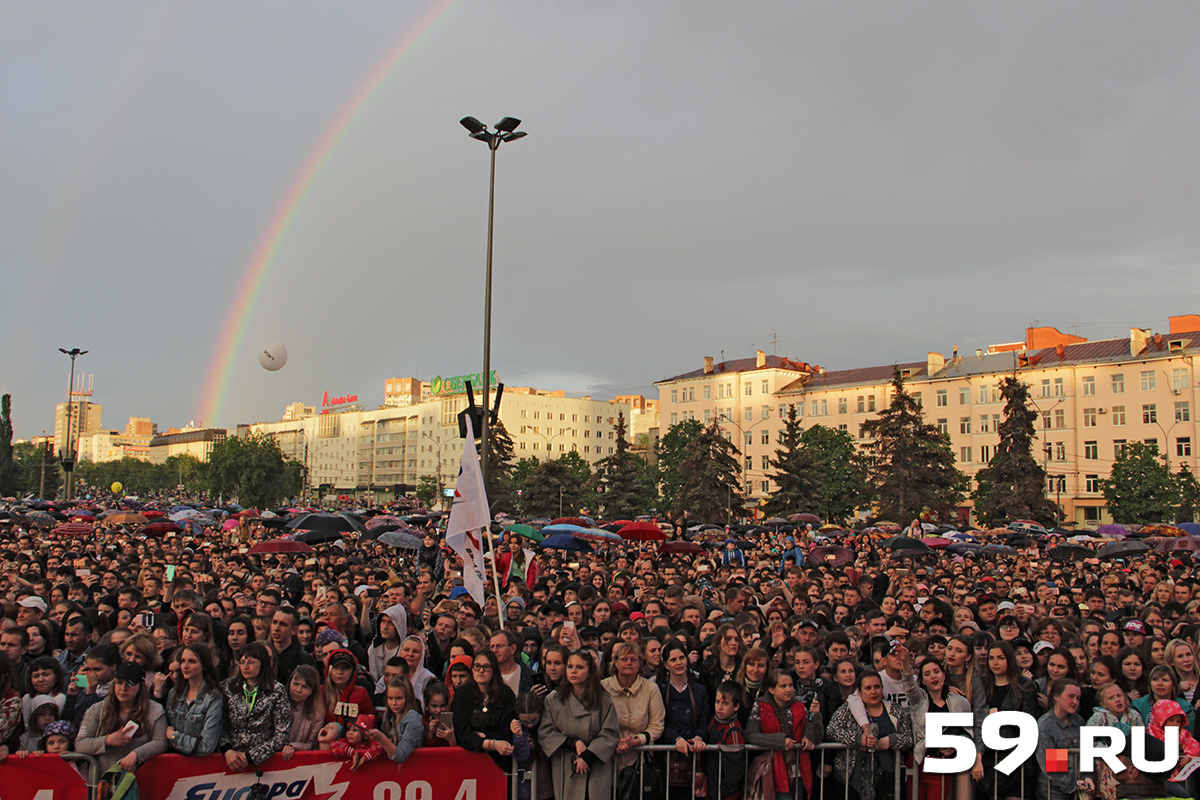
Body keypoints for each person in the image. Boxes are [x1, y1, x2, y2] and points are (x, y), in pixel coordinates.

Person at [539, 650, 620, 800]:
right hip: (566, 765)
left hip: (596, 766)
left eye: (580, 667)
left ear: (590, 671)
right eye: (570, 667)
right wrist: (573, 743)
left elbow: (610, 732)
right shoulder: (554, 699)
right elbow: (546, 732)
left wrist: (588, 756)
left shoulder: (604, 700)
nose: (573, 671)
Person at [826, 670, 914, 800]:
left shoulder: (894, 709)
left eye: (877, 687)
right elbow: (831, 731)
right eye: (868, 688)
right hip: (853, 778)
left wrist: (891, 740)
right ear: (860, 692)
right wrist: (858, 739)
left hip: (887, 777)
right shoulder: (848, 710)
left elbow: (908, 738)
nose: (873, 692)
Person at [76, 661, 168, 774]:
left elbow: (161, 742)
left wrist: (136, 754)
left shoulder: (155, 710)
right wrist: (107, 740)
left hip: (139, 780)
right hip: (101, 781)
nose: (123, 688)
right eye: (119, 683)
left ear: (141, 686)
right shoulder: (97, 709)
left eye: (130, 684)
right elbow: (80, 744)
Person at [746, 669, 821, 800]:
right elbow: (751, 734)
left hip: (797, 770)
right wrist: (779, 741)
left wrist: (815, 718)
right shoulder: (760, 706)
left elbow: (816, 735)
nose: (788, 689)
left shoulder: (799, 706)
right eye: (783, 686)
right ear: (771, 689)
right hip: (772, 770)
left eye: (791, 685)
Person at [910, 656, 976, 800]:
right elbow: (908, 686)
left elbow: (968, 732)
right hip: (927, 761)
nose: (933, 676)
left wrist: (956, 745)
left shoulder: (960, 702)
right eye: (927, 674)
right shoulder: (919, 703)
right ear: (922, 681)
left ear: (944, 675)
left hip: (955, 763)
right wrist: (904, 664)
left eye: (936, 671)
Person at [221, 641, 290, 771]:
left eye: (251, 662)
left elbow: (282, 734)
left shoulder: (277, 690)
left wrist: (251, 757)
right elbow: (221, 724)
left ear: (263, 664)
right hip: (230, 759)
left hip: (264, 763)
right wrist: (227, 750)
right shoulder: (228, 688)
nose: (245, 666)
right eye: (242, 662)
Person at [601, 641, 665, 771]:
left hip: (640, 760)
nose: (629, 663)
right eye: (624, 659)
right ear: (615, 662)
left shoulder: (651, 689)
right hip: (608, 758)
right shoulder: (603, 687)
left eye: (633, 659)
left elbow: (657, 725)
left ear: (640, 663)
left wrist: (637, 741)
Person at [452, 649, 517, 769]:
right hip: (468, 761)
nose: (481, 671)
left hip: (498, 763)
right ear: (472, 669)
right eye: (477, 666)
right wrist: (491, 743)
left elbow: (506, 732)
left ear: (494, 670)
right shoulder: (462, 694)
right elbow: (462, 734)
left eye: (486, 667)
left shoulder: (506, 695)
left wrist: (480, 736)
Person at [1036, 679, 1093, 800]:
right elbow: (1050, 765)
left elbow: (1087, 754)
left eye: (1078, 698)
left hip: (1079, 787)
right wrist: (1073, 784)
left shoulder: (1079, 721)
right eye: (1071, 697)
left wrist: (1088, 777)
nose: (1075, 702)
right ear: (1056, 696)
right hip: (1053, 790)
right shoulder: (1045, 725)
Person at [164, 643, 223, 756]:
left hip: (200, 768)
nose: (185, 666)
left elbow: (206, 746)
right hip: (173, 764)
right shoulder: (174, 693)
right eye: (182, 661)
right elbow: (163, 736)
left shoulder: (213, 697)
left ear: (204, 665)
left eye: (192, 661)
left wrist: (174, 736)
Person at [370, 675, 424, 765]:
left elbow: (401, 756)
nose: (394, 703)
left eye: (399, 698)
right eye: (390, 698)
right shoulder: (388, 714)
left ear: (408, 698)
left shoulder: (413, 719)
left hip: (413, 770)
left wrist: (382, 739)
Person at [282, 664, 325, 759]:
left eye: (305, 687)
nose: (298, 690)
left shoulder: (317, 714)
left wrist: (293, 746)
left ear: (312, 691)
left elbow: (311, 744)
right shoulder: (278, 704)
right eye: (295, 684)